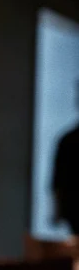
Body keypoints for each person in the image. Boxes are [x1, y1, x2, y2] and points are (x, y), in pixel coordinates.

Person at [52, 87, 79, 237]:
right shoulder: (68, 140)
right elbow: (58, 180)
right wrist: (57, 209)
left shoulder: (68, 140)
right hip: (74, 209)